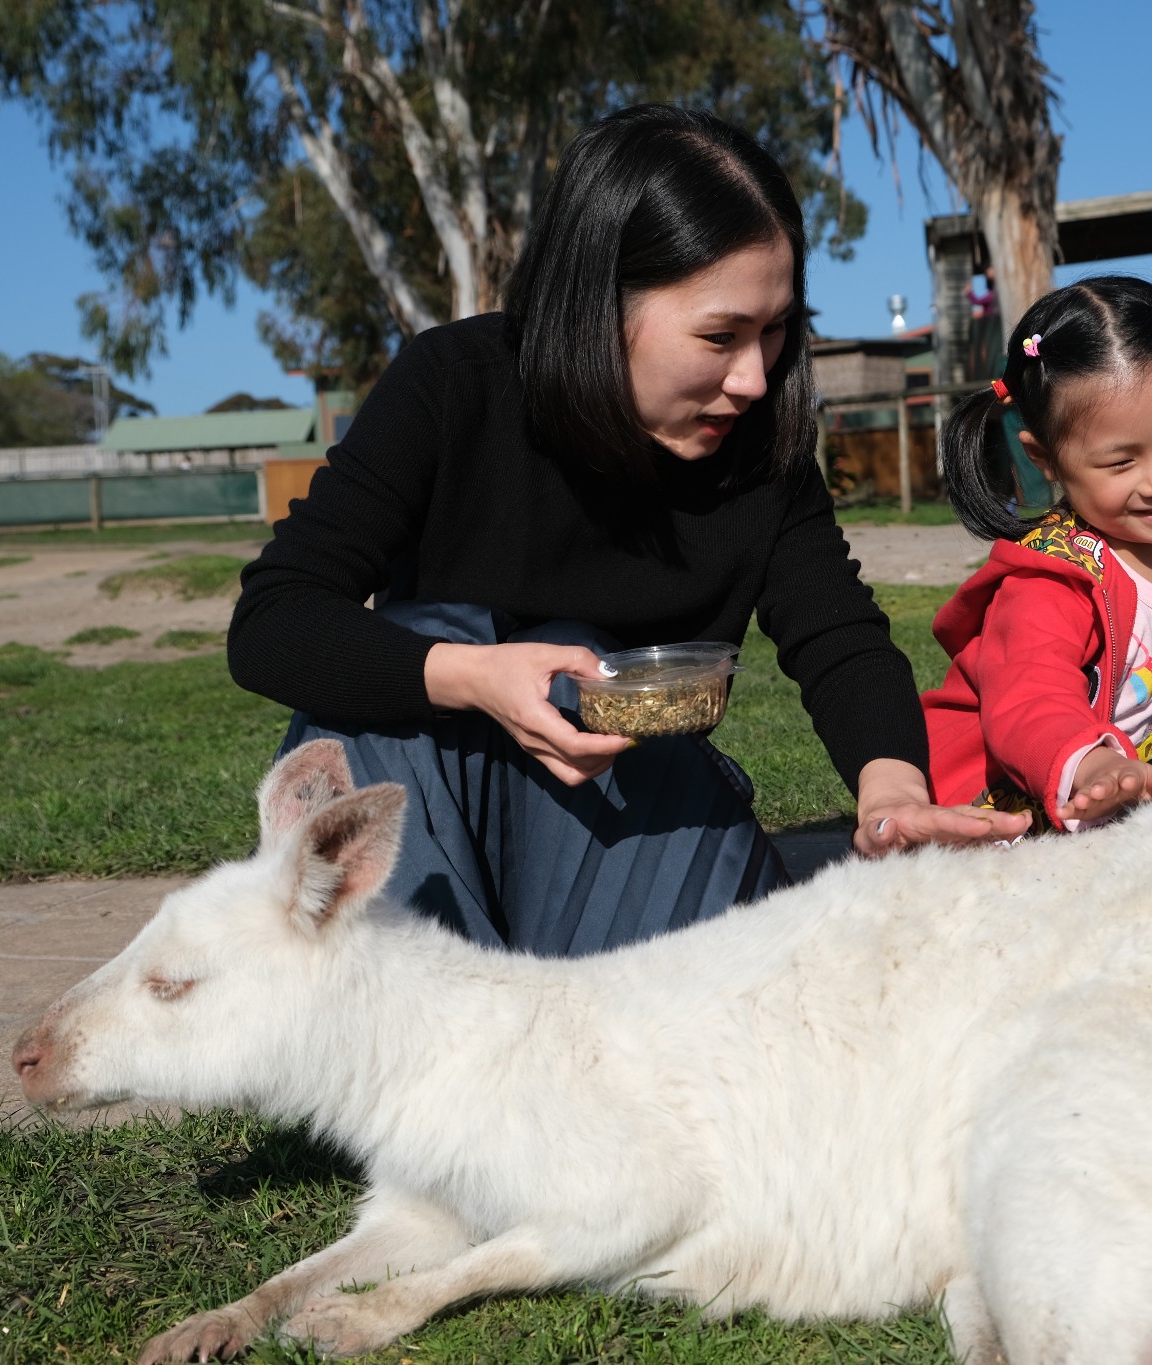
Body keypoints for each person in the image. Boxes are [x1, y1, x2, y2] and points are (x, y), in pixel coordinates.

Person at [228, 105, 1028, 956]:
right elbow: (274, 619)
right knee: (416, 651)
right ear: (597, 299)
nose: (755, 378)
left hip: (624, 815)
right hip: (439, 793)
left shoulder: (759, 448)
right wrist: (474, 675)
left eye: (777, 329)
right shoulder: (453, 388)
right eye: (720, 336)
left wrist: (893, 787)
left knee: (756, 1012)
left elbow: (839, 634)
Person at [923, 275, 1152, 831]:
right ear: (1045, 459)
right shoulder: (1051, 582)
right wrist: (1091, 763)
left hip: (1124, 787)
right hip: (1012, 800)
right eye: (1121, 462)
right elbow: (1029, 696)